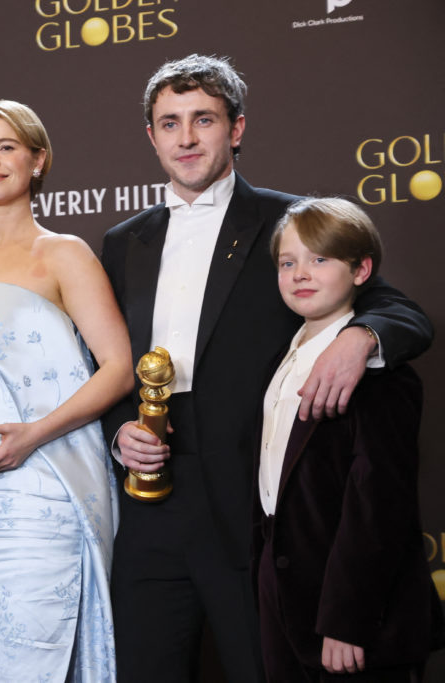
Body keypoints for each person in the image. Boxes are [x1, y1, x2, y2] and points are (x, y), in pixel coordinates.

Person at [100, 54, 433, 682]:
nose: (187, 137)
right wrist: (120, 428)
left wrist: (362, 335)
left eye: (204, 119)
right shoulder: (123, 241)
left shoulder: (290, 222)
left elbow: (399, 309)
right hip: (149, 502)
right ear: (151, 136)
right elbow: (104, 359)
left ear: (237, 129)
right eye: (169, 123)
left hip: (250, 499)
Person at [0, 100, 133, 681]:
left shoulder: (65, 253)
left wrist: (33, 436)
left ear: (38, 160)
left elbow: (117, 368)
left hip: (43, 487)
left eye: (6, 146)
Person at [254, 197, 444, 682]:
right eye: (288, 262)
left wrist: (347, 620)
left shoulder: (378, 371)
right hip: (285, 606)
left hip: (355, 621)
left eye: (320, 259)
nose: (301, 274)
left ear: (362, 270)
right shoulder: (281, 357)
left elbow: (378, 504)